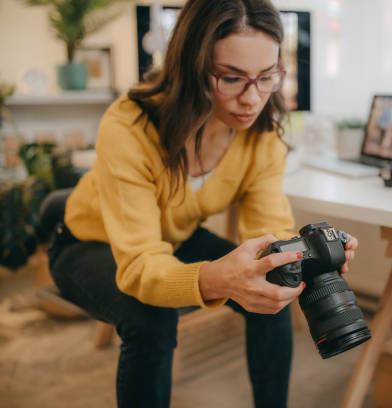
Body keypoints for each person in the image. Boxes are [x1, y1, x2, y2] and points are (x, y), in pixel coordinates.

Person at [47, 1, 359, 407]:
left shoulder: (261, 134)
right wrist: (216, 278)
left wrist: (304, 257)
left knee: (273, 283)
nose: (253, 99)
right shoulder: (128, 126)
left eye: (267, 77)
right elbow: (140, 263)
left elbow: (270, 233)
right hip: (86, 242)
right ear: (191, 68)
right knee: (151, 318)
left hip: (173, 236)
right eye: (232, 78)